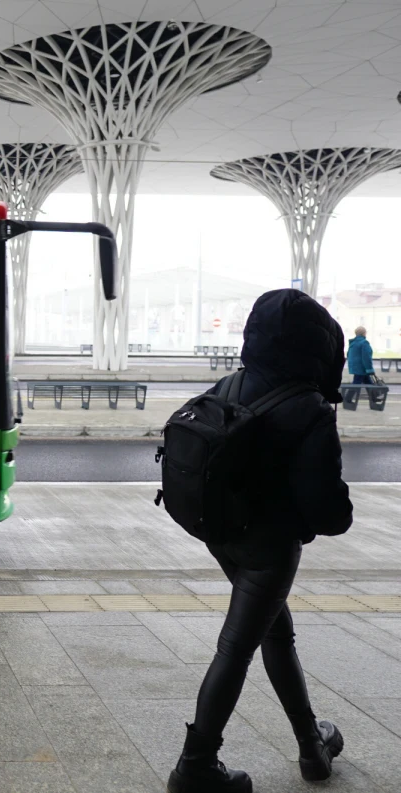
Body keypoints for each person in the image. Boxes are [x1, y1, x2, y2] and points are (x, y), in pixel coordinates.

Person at [168, 289, 353, 793]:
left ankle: (311, 746)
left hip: (222, 535)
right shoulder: (310, 407)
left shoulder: (231, 383)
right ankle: (195, 766)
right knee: (236, 647)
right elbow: (328, 512)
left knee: (275, 633)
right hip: (269, 550)